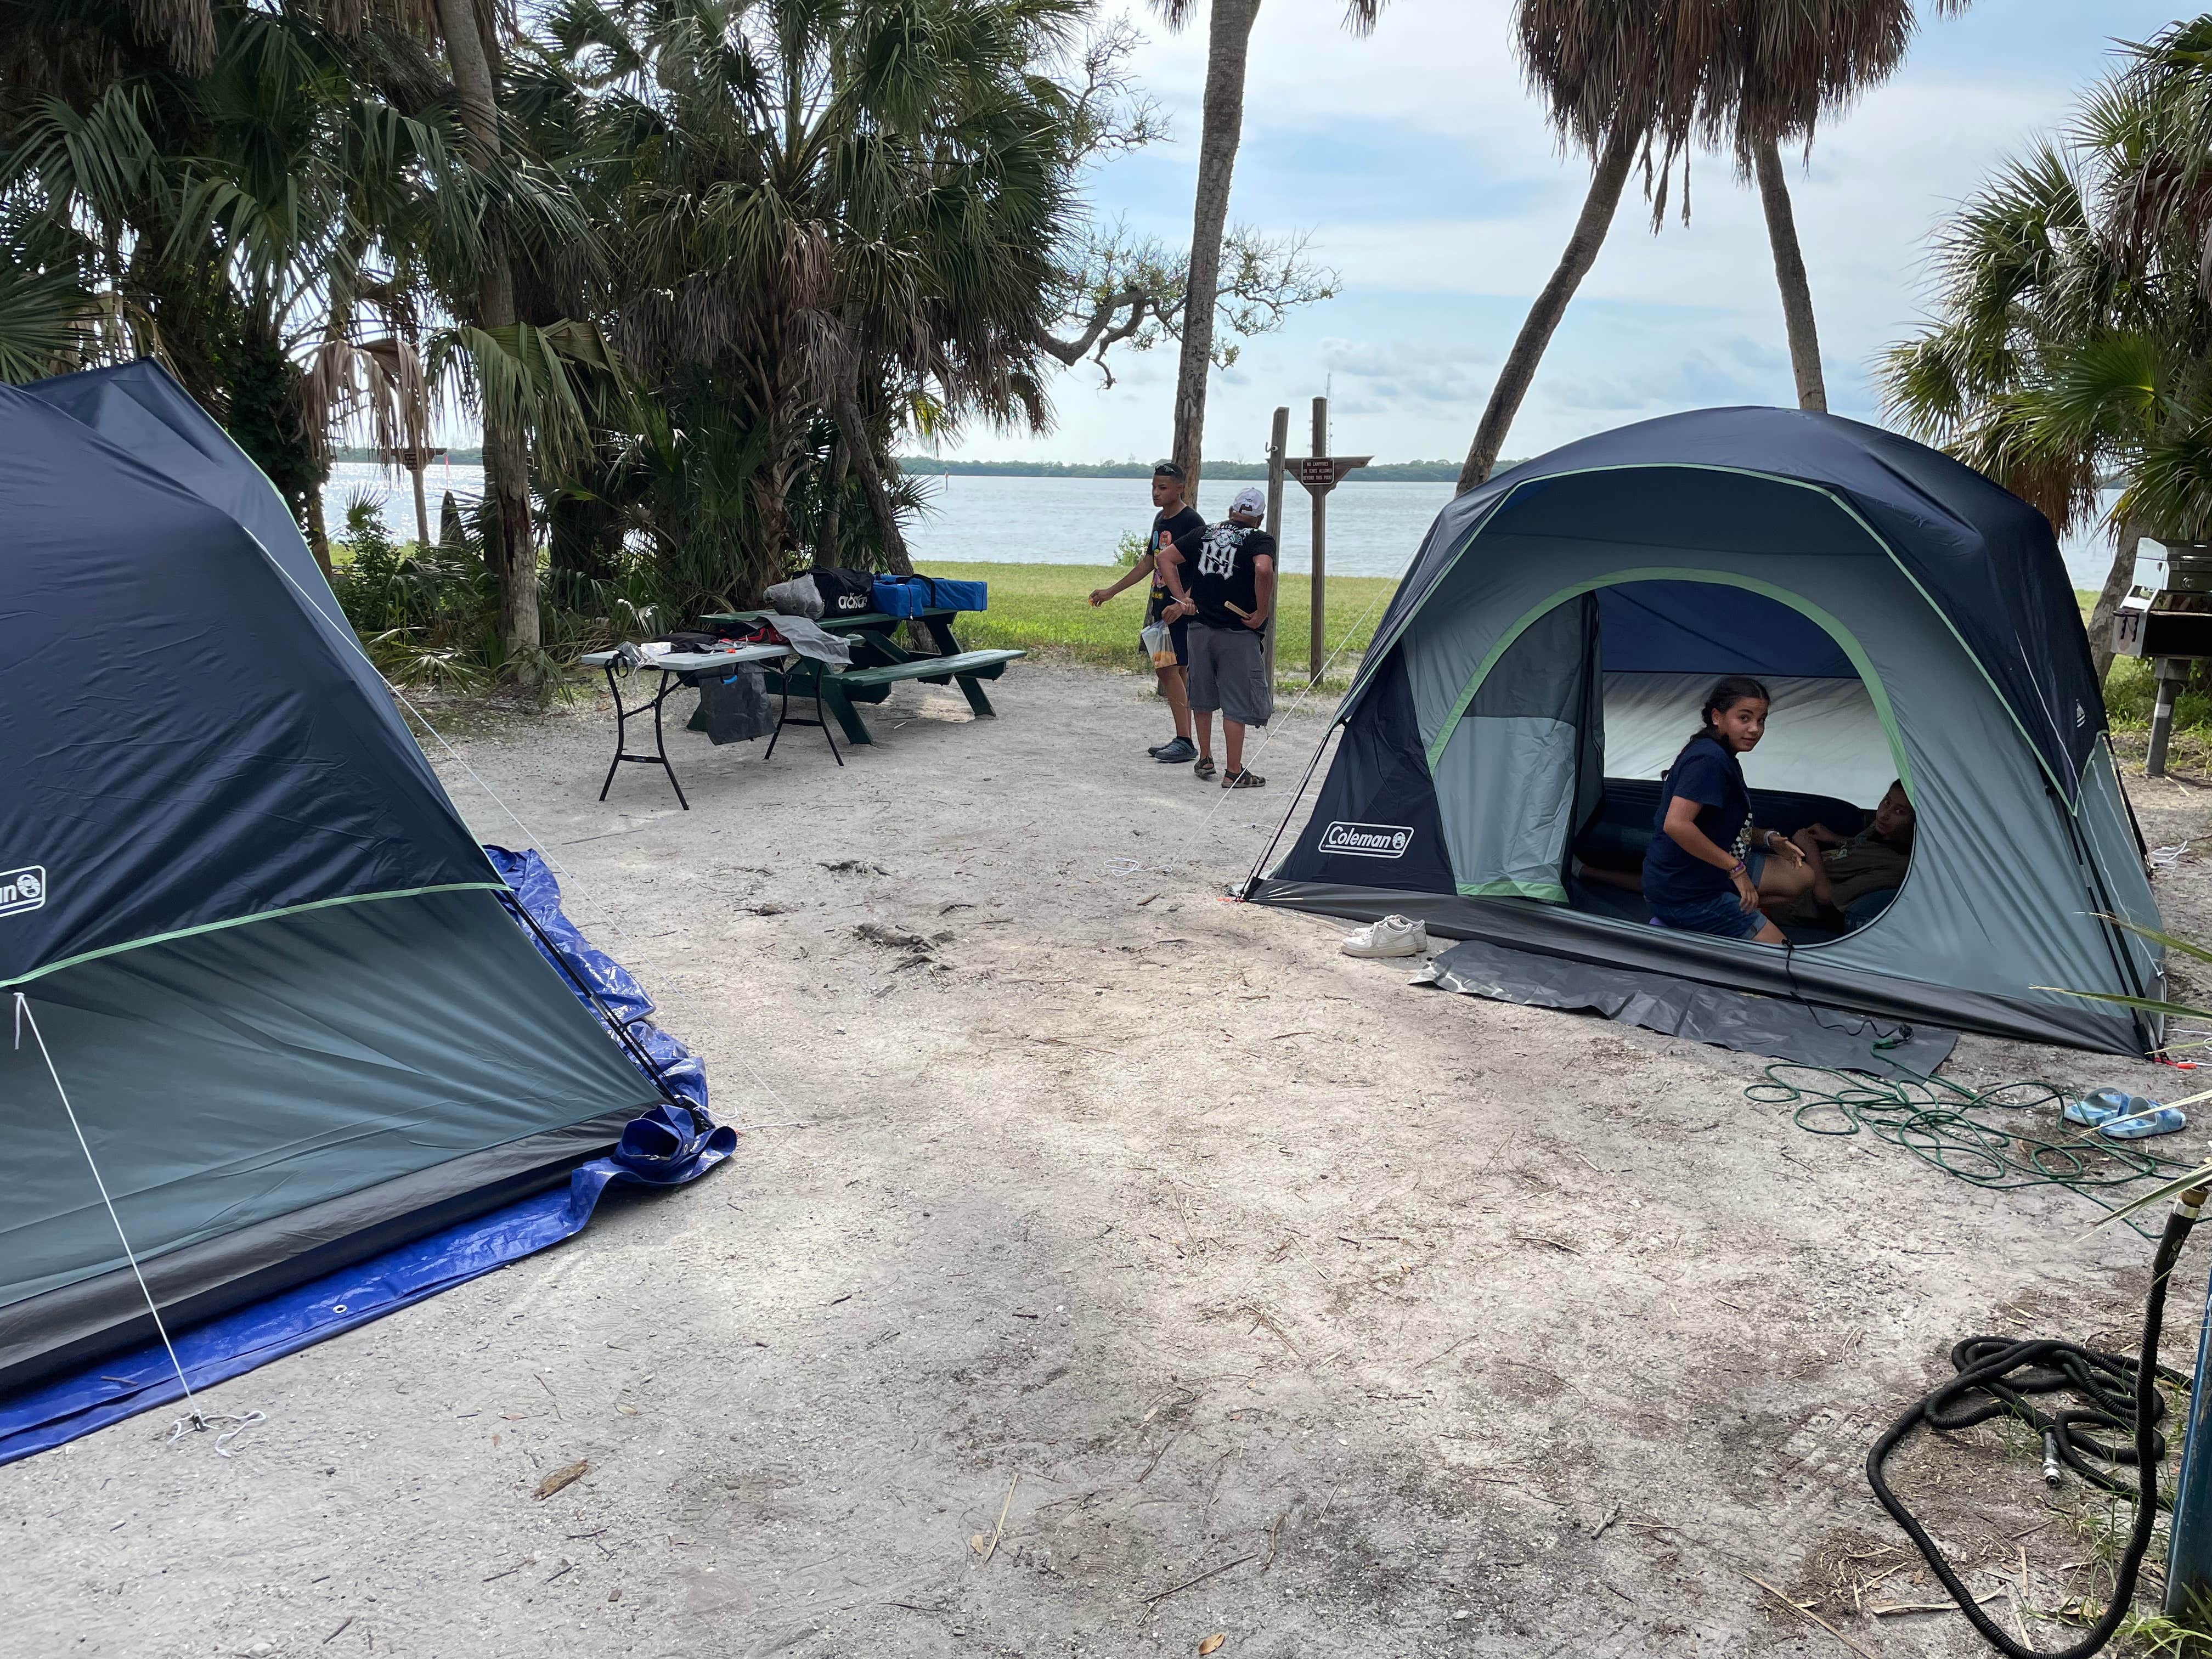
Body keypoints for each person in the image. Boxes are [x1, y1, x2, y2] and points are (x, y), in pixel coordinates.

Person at [1641, 676, 1815, 943]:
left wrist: (1770, 839)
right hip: (1685, 892)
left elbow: (1722, 824)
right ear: (1717, 717)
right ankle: (1691, 922)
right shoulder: (1707, 760)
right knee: (1781, 956)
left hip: (1709, 871)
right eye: (1744, 718)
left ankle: (1729, 915)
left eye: (1762, 720)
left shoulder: (1723, 755)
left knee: (1801, 877)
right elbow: (1676, 825)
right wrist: (1737, 871)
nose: (1755, 729)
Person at [1088, 460, 1204, 763]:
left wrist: (1183, 604)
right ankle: (1184, 737)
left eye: (1163, 488)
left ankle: (1185, 741)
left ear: (1180, 488)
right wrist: (1111, 591)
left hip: (1179, 611)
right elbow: (1149, 562)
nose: (1156, 493)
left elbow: (1205, 570)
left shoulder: (1192, 522)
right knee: (1174, 670)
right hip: (1160, 605)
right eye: (1154, 487)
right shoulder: (1160, 520)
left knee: (1167, 669)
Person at [1167, 484, 1276, 787]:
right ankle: (1233, 771)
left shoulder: (1205, 532)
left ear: (1231, 511)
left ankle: (1204, 758)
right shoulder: (1260, 539)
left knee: (1201, 694)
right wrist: (1261, 612)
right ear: (1259, 517)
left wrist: (1181, 599)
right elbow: (1264, 570)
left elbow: (1165, 558)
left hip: (1199, 628)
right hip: (1237, 631)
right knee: (1236, 700)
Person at [1771, 781, 1916, 930]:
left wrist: (1811, 850)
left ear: (1916, 822)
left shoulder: (1897, 866)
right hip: (1790, 873)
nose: (1884, 814)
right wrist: (1835, 839)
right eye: (1886, 802)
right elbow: (1861, 848)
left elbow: (1825, 897)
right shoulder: (1883, 832)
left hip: (1789, 904)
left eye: (1900, 812)